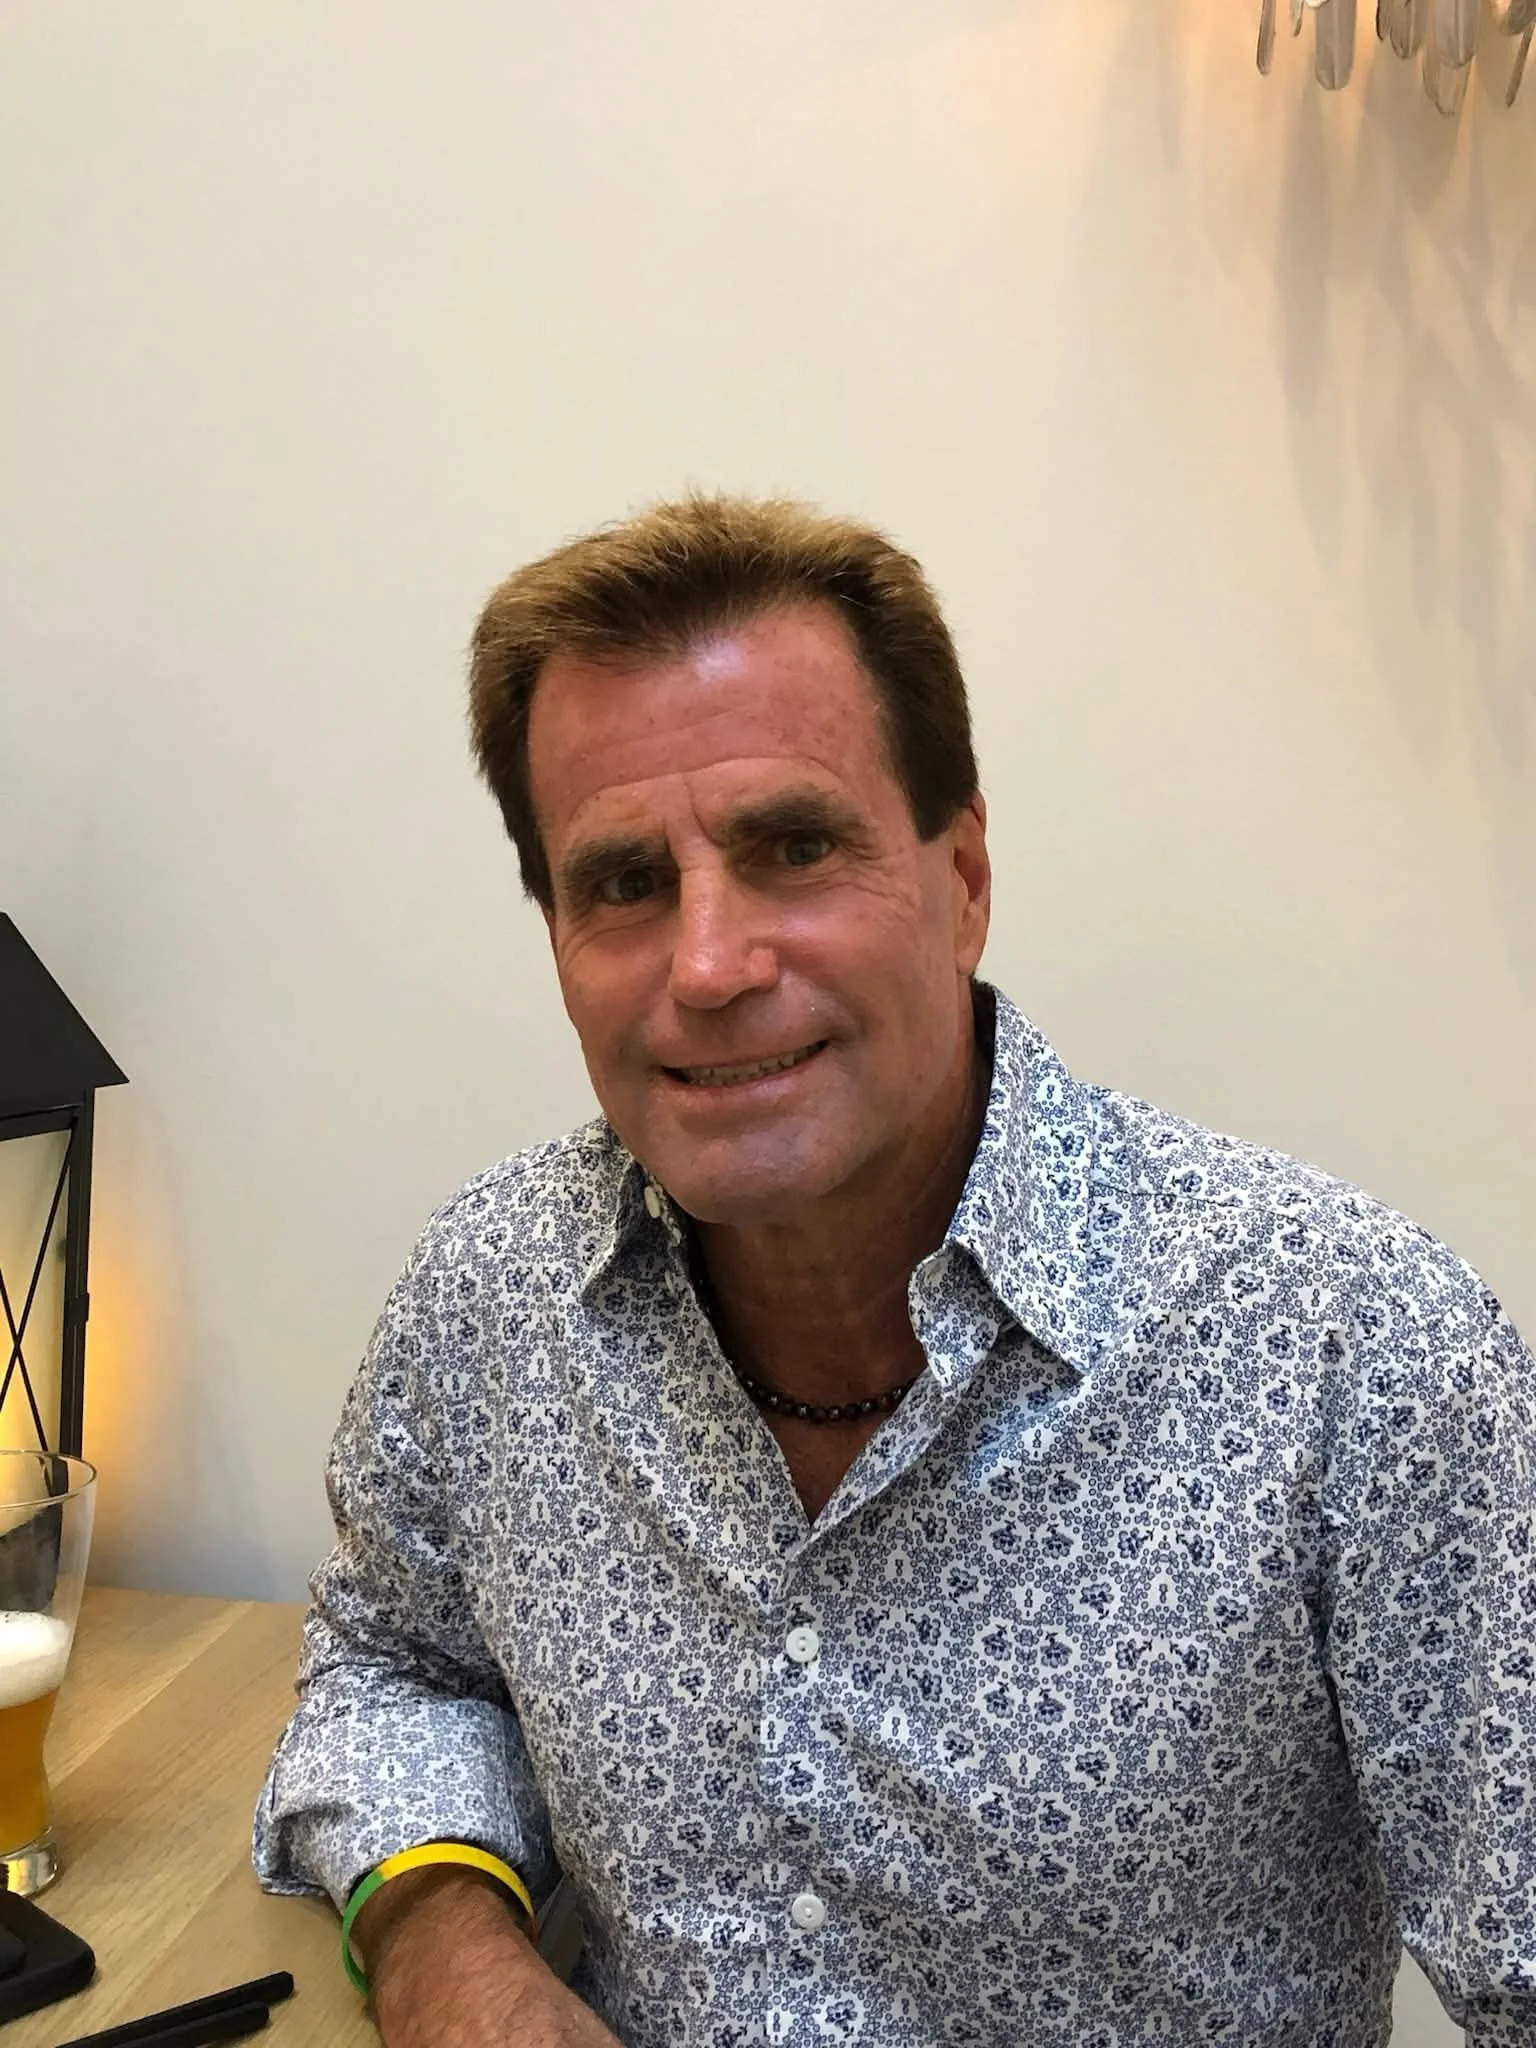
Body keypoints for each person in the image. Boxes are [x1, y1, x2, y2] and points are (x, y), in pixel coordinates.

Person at [254, 495, 1536, 2048]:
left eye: (793, 848)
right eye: (622, 883)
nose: (710, 965)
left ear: (965, 877)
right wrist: (445, 1946)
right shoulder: (489, 1299)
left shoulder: (1360, 1358)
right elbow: (396, 1662)